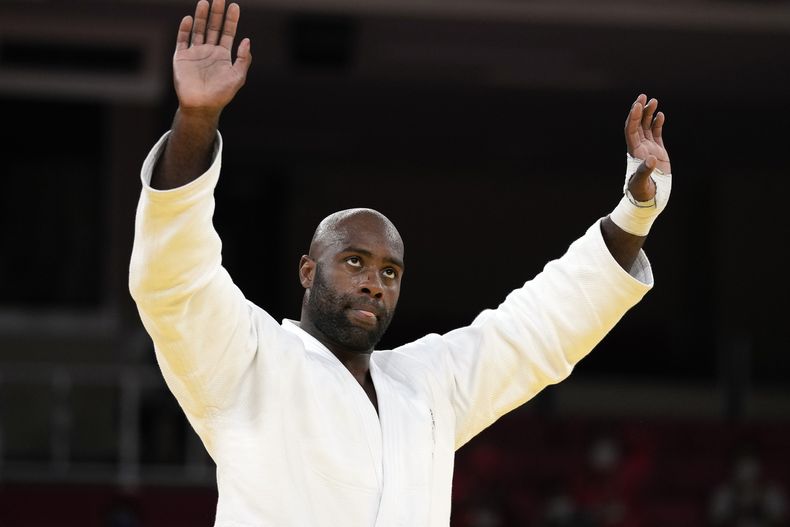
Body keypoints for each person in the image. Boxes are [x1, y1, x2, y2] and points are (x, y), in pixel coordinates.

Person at [128, 0, 672, 525]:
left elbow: (537, 330)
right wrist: (196, 120)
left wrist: (636, 213)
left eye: (389, 272)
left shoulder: (425, 386)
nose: (373, 283)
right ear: (307, 271)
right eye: (355, 262)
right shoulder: (250, 361)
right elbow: (176, 282)